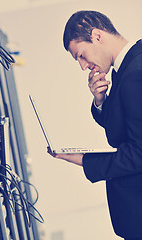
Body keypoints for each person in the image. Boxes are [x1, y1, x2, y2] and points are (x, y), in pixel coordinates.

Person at [47, 10, 142, 240]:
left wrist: (83, 159)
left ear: (97, 36)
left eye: (81, 55)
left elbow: (138, 153)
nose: (82, 66)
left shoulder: (134, 75)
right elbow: (121, 130)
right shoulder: (126, 67)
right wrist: (100, 101)